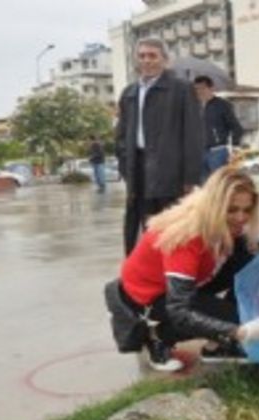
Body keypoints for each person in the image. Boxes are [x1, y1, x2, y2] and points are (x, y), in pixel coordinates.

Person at [104, 167, 259, 371]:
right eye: (232, 210)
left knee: (256, 258)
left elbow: (247, 254)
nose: (241, 218)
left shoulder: (215, 221)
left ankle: (217, 346)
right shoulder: (187, 237)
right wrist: (238, 331)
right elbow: (179, 312)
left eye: (247, 210)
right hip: (149, 299)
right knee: (239, 317)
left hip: (182, 284)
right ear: (214, 207)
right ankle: (157, 336)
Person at [115, 37, 204, 256]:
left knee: (172, 228)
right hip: (138, 170)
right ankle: (144, 277)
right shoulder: (129, 93)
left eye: (152, 56)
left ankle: (173, 279)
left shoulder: (181, 90)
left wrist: (190, 178)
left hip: (170, 171)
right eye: (142, 56)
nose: (146, 61)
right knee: (142, 229)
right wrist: (126, 168)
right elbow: (121, 135)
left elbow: (193, 135)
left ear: (164, 60)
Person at [193, 75, 244, 181]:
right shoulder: (193, 107)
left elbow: (236, 127)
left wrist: (235, 147)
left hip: (217, 152)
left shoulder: (222, 105)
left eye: (202, 88)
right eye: (196, 89)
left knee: (219, 184)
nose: (199, 91)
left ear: (211, 88)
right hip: (198, 152)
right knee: (203, 186)